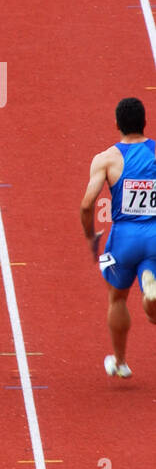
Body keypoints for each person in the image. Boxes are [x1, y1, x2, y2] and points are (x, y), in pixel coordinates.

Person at [80, 96, 156, 379]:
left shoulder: (106, 159)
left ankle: (121, 362)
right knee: (153, 311)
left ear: (117, 125)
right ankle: (150, 294)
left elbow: (87, 205)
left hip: (125, 238)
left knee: (118, 298)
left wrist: (90, 236)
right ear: (145, 123)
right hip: (155, 234)